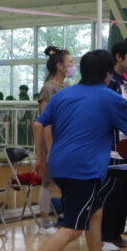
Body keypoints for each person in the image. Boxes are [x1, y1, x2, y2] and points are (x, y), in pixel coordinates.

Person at [14, 49, 127, 251]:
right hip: (83, 168)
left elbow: (38, 124)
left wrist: (40, 156)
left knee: (95, 213)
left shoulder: (63, 95)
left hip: (60, 163)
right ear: (108, 73)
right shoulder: (112, 98)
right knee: (73, 228)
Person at [100, 38, 127, 251]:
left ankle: (115, 234)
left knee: (124, 195)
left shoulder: (124, 82)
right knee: (111, 196)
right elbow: (111, 113)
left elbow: (124, 111)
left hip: (126, 144)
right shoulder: (110, 83)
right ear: (118, 57)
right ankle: (104, 237)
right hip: (111, 147)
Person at [35, 46, 75, 234]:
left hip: (67, 141)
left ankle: (66, 216)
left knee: (68, 181)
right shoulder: (48, 88)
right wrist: (49, 148)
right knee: (48, 182)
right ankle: (44, 222)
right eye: (70, 62)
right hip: (53, 142)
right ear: (60, 66)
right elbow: (45, 122)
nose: (73, 66)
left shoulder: (68, 87)